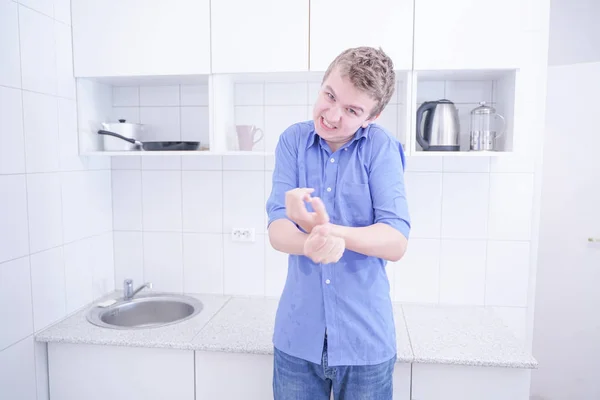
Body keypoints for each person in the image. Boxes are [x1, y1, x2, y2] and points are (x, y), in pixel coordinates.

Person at [265, 46, 411, 400]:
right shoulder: (293, 141)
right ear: (322, 84)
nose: (331, 114)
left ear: (371, 117)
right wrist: (307, 244)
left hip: (365, 342)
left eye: (351, 110)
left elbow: (396, 241)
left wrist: (332, 234)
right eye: (329, 95)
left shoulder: (381, 148)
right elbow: (277, 228)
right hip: (298, 338)